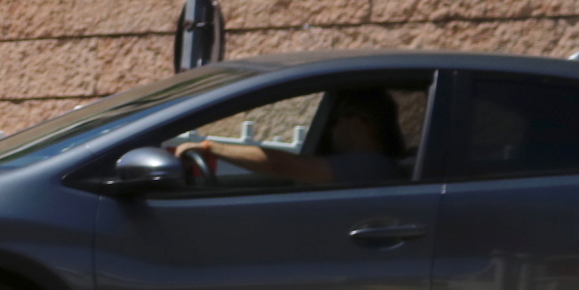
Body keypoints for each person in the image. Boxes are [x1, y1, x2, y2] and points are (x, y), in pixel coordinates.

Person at [173, 88, 409, 188]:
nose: (332, 129)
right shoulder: (374, 165)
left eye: (337, 119)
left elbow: (282, 165)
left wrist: (209, 147)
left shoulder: (366, 166)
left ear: (360, 123)